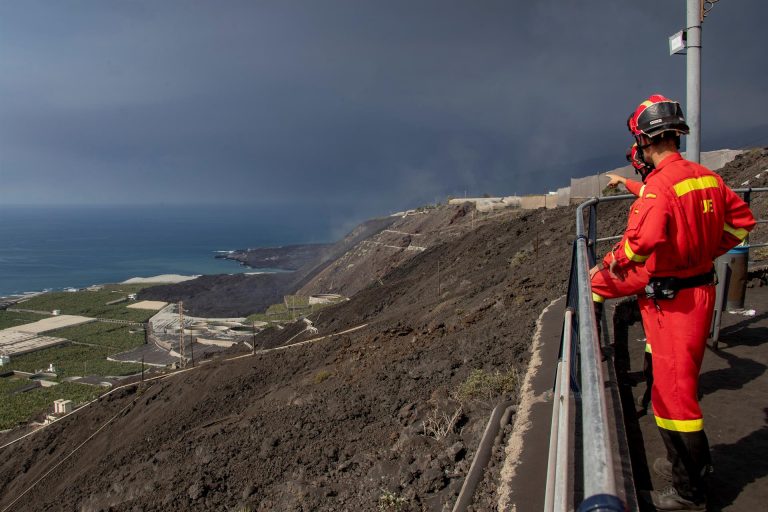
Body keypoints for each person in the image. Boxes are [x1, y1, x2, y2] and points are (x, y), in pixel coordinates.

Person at [609, 94, 756, 511]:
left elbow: (638, 246)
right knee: (680, 384)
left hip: (672, 302)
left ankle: (690, 493)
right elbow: (743, 222)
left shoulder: (659, 189)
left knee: (674, 396)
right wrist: (705, 250)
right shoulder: (704, 177)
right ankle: (691, 468)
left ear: (644, 141)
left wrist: (603, 271)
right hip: (699, 291)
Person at [590, 145, 653, 411]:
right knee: (656, 337)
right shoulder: (677, 181)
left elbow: (636, 242)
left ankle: (594, 350)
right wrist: (623, 181)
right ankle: (653, 393)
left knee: (593, 283)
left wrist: (606, 263)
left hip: (651, 272)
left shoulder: (657, 190)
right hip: (688, 276)